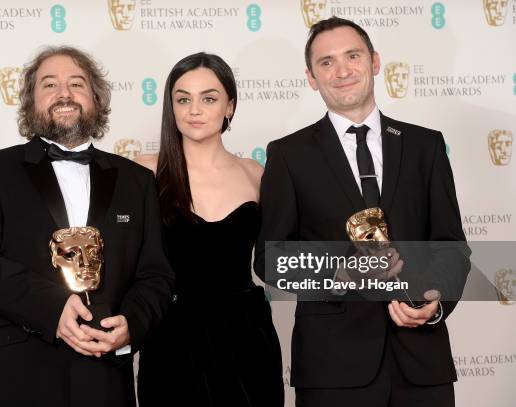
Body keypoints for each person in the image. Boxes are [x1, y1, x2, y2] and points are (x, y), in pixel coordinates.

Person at [255, 17, 470, 407]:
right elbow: (271, 258)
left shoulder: (426, 146)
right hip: (332, 366)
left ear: (374, 61)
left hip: (422, 364)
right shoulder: (288, 155)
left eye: (352, 56)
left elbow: (451, 246)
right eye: (326, 62)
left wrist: (436, 303)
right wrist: (341, 270)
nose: (342, 71)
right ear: (311, 77)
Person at [0, 46, 174, 407]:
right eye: (49, 85)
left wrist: (132, 322)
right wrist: (52, 308)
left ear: (96, 99)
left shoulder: (136, 181)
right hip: (15, 378)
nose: (64, 94)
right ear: (30, 102)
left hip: (104, 380)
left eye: (76, 83)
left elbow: (156, 275)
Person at [135, 52, 284, 407]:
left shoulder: (257, 174)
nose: (194, 110)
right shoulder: (143, 173)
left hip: (248, 336)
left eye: (209, 98)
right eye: (182, 99)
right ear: (171, 107)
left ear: (229, 106)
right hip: (170, 335)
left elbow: (282, 254)